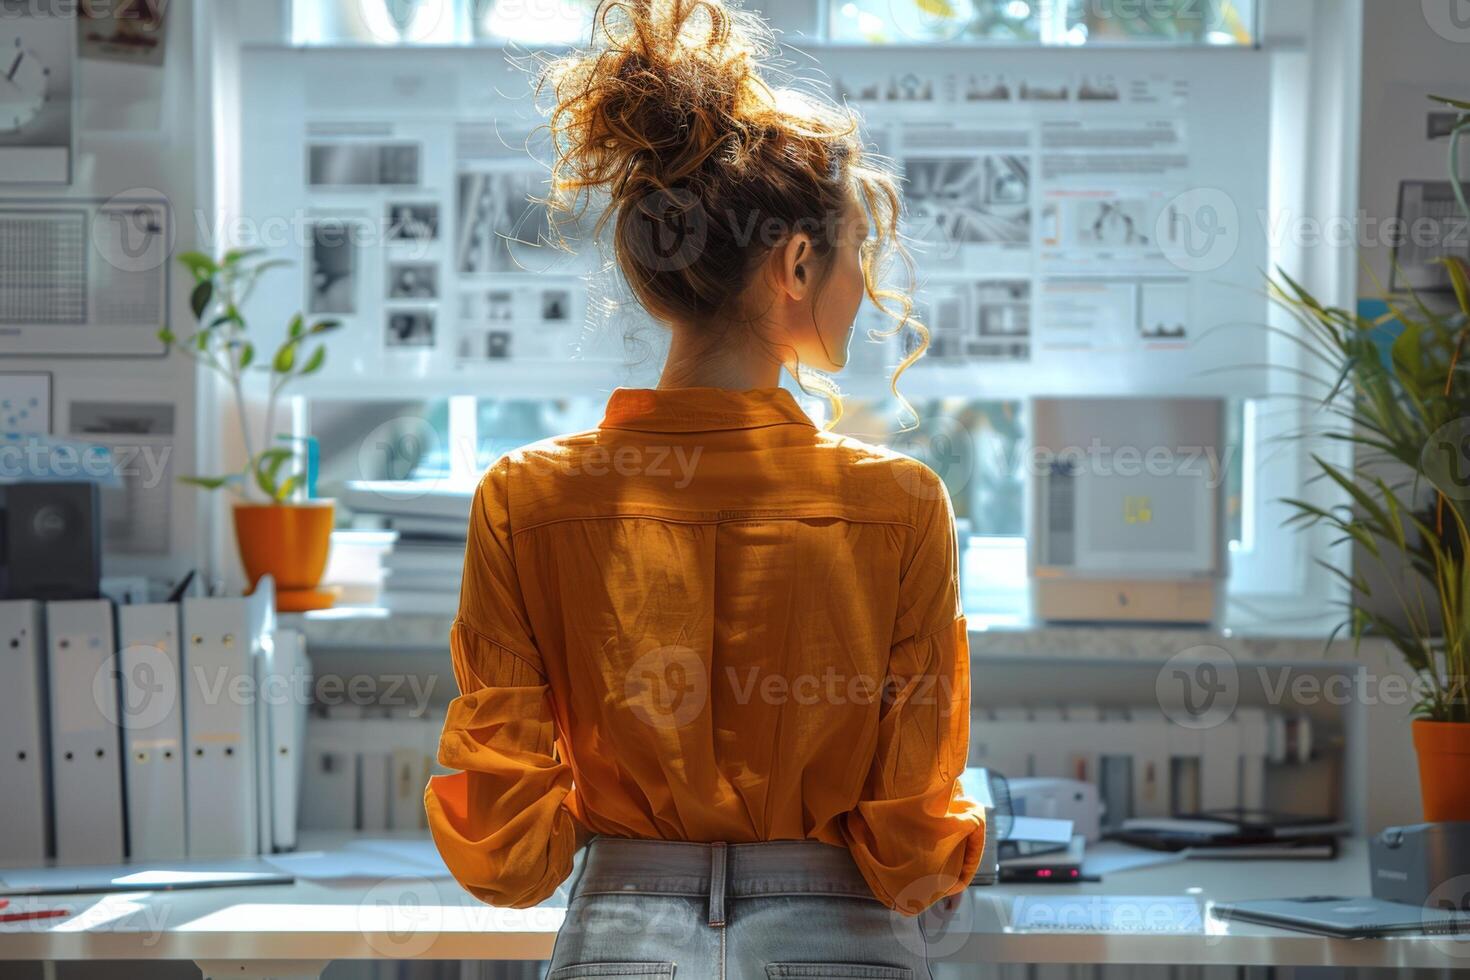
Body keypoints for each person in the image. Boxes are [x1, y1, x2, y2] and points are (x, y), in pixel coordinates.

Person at [425, 0, 986, 974]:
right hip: (835, 939)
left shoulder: (527, 497)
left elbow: (511, 852)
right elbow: (910, 848)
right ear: (797, 262)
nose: (866, 284)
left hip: (620, 934)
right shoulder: (899, 506)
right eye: (858, 251)